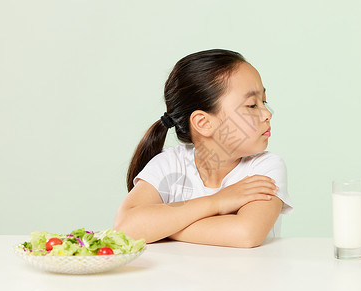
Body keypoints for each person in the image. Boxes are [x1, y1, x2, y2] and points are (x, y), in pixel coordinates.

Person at [113, 49, 293, 248]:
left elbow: (246, 233)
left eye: (264, 101)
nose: (267, 113)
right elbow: (125, 228)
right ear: (204, 123)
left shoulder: (265, 167)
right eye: (252, 105)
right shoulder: (169, 165)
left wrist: (161, 228)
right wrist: (217, 202)